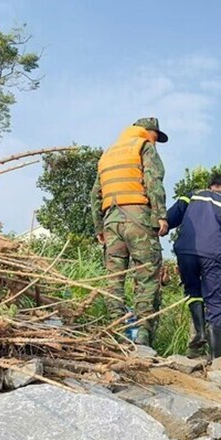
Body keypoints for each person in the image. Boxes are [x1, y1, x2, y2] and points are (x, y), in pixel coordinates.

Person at [91, 117, 168, 346]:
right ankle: (143, 336)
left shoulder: (108, 153)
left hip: (111, 220)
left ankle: (118, 332)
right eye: (156, 136)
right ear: (148, 132)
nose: (156, 142)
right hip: (138, 218)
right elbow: (153, 181)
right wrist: (161, 215)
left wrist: (99, 227)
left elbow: (95, 193)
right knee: (147, 275)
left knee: (113, 280)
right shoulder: (143, 146)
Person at [166, 173, 221, 359]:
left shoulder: (193, 194)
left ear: (211, 186)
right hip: (213, 254)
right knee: (216, 302)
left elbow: (170, 217)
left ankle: (201, 333)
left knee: (192, 291)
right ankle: (214, 358)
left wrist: (160, 227)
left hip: (185, 251)